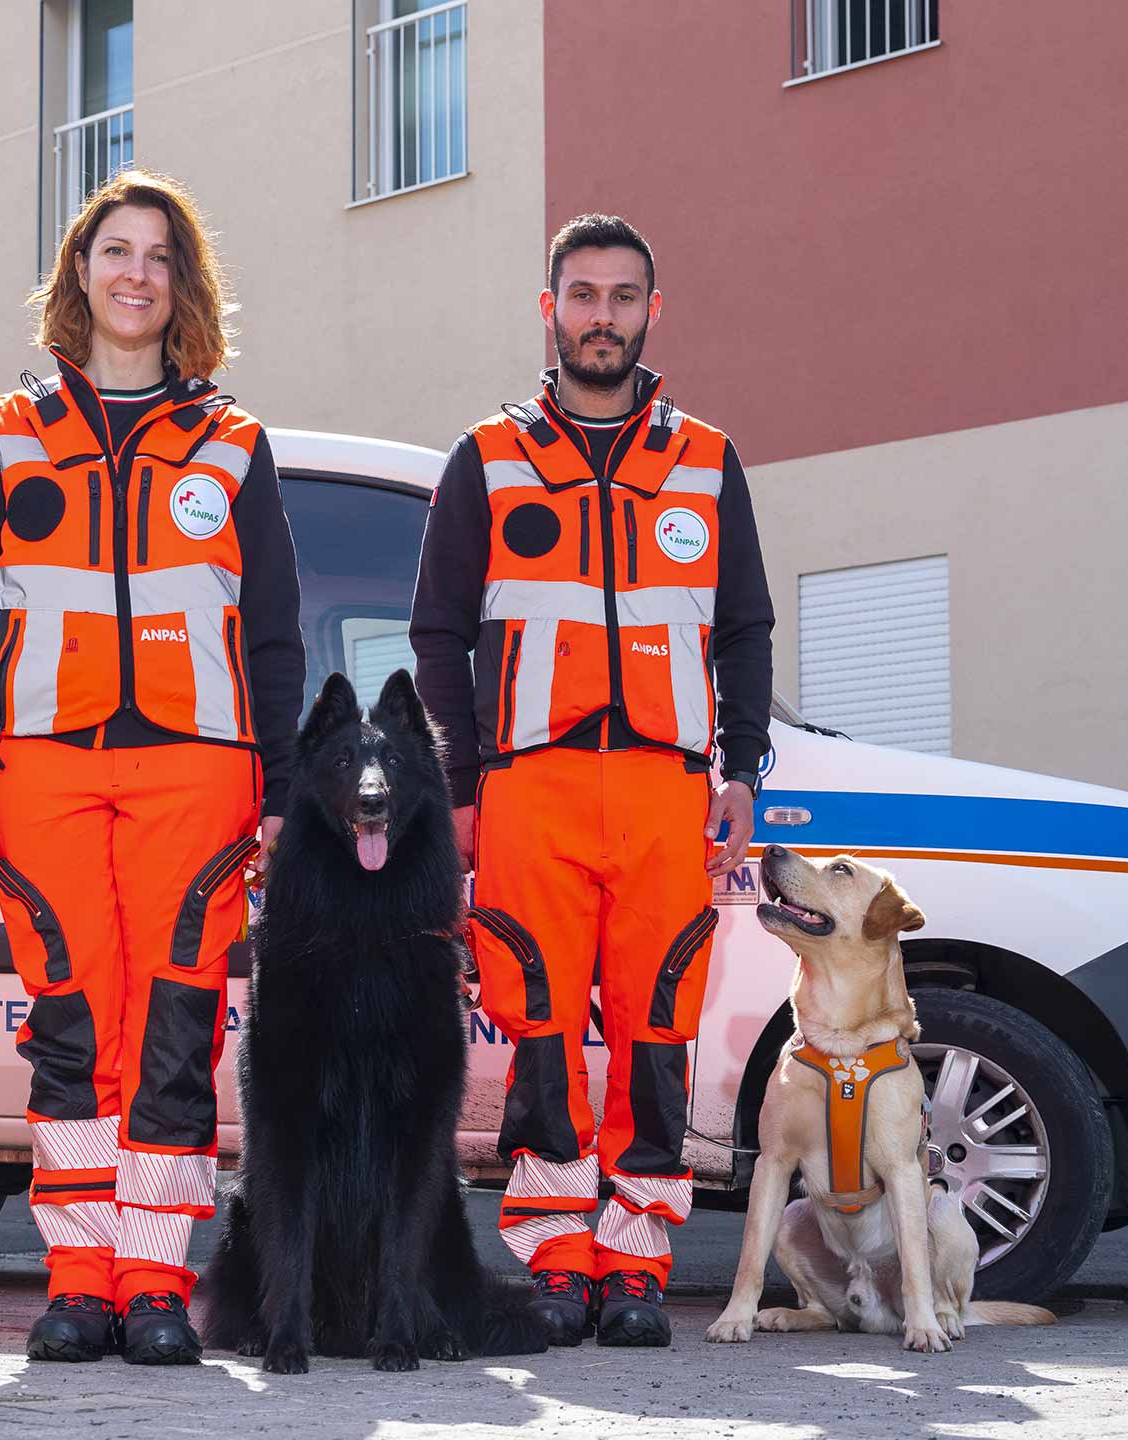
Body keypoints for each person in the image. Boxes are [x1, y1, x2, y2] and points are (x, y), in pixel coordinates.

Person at [0, 169, 303, 1366]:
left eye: (157, 256)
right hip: (40, 767)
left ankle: (153, 1281)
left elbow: (277, 634)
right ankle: (79, 1278)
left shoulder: (234, 443)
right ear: (78, 274)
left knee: (176, 1029)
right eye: (114, 251)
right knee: (73, 1027)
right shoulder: (3, 435)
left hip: (200, 773)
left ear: (179, 285)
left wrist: (288, 790)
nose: (134, 273)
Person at [410, 213, 774, 1348]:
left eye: (623, 296)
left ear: (650, 312)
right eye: (583, 294)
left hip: (669, 790)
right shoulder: (487, 457)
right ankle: (559, 1260)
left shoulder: (706, 460)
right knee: (542, 1028)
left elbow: (746, 627)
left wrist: (743, 765)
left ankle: (638, 1264)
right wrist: (464, 786)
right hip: (530, 787)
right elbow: (435, 632)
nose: (601, 315)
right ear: (550, 310)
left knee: (659, 1029)